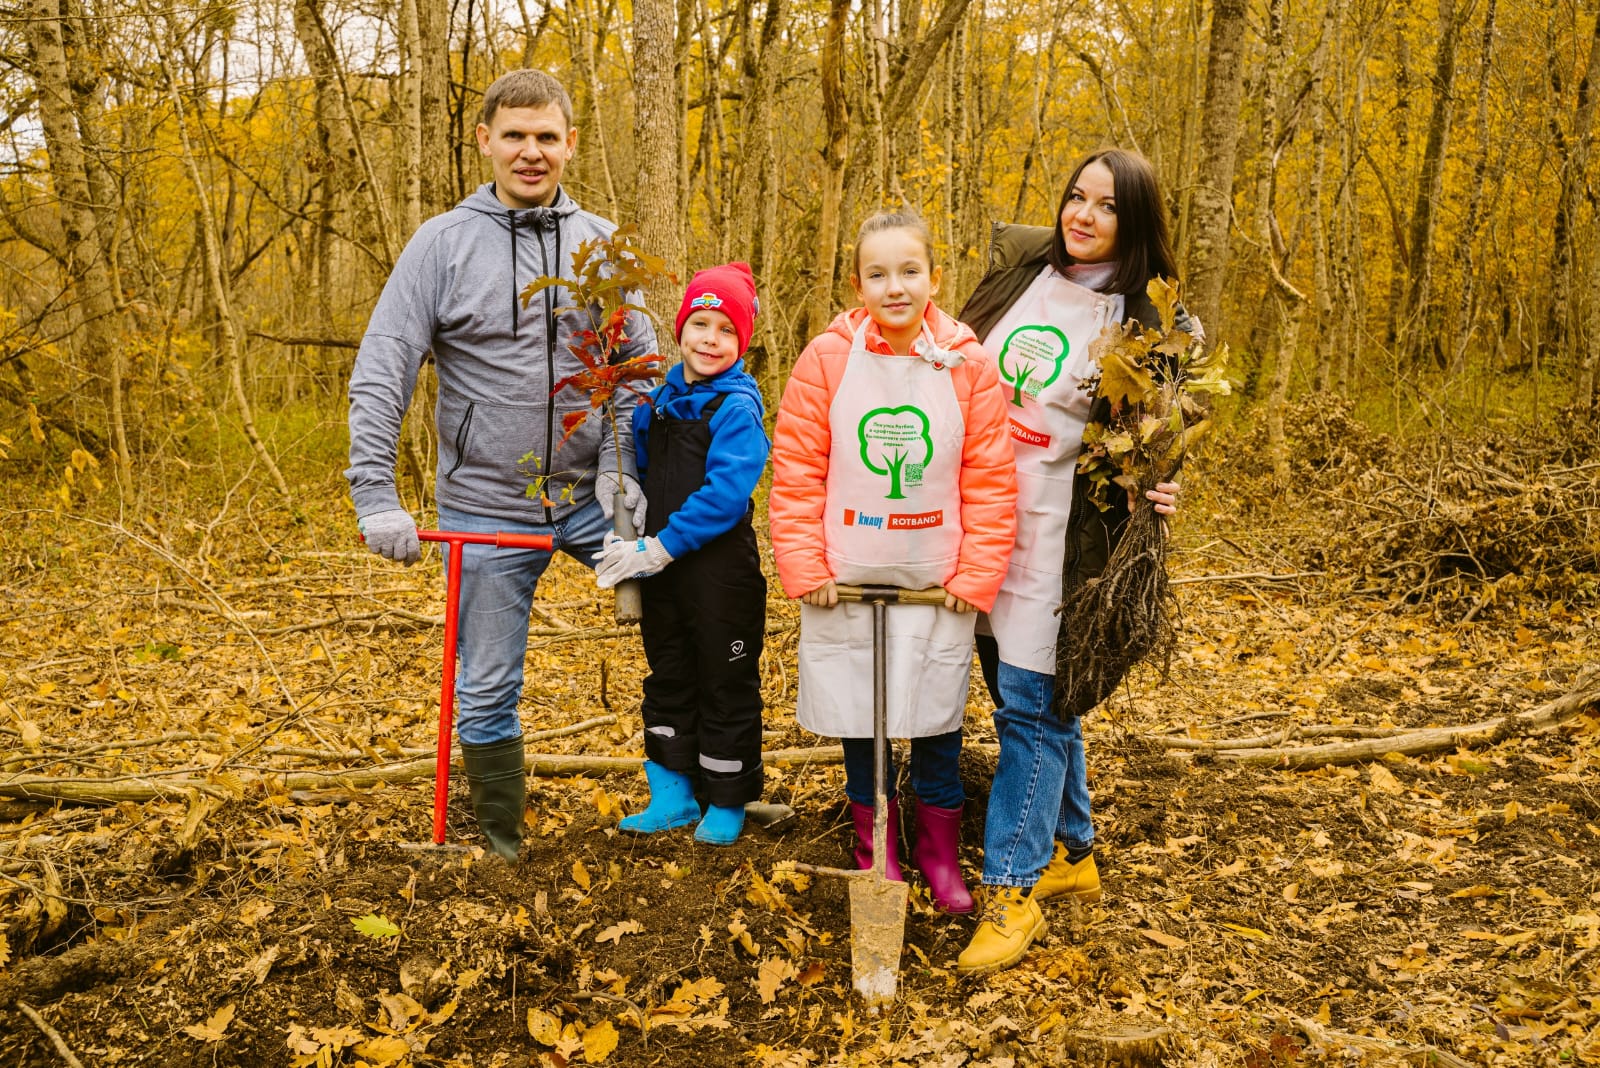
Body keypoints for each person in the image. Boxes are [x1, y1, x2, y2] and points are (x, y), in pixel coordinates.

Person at [345, 70, 658, 862]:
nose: (530, 152)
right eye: (514, 135)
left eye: (546, 137)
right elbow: (387, 362)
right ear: (483, 139)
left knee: (687, 611)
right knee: (486, 684)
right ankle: (499, 849)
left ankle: (701, 793)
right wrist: (375, 492)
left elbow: (641, 366)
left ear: (570, 146)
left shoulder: (600, 244)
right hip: (486, 504)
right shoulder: (442, 245)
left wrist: (631, 470)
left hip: (594, 497)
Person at [953, 148, 1189, 973]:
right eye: (1073, 198)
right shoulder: (1022, 274)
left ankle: (1012, 891)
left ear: (1136, 220)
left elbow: (1164, 437)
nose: (1080, 216)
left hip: (1063, 540)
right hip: (981, 520)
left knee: (1031, 702)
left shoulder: (1149, 322)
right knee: (1030, 695)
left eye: (1105, 206)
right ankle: (1074, 851)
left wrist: (1163, 483)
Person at [770, 211, 1017, 914]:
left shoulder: (968, 361)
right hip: (845, 575)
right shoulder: (826, 358)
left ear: (935, 278)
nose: (895, 286)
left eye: (909, 271)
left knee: (936, 716)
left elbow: (990, 478)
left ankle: (939, 850)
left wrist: (976, 574)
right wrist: (804, 564)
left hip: (936, 581)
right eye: (878, 273)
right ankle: (873, 847)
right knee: (862, 714)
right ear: (858, 284)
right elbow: (796, 471)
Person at [592, 263, 770, 846]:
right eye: (700, 323)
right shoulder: (655, 404)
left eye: (725, 329)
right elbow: (636, 469)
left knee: (724, 680)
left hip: (719, 578)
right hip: (660, 568)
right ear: (681, 328)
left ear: (741, 342)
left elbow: (724, 496)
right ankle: (672, 791)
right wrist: (628, 515)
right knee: (668, 673)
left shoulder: (737, 410)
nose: (710, 339)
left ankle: (726, 798)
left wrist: (661, 546)